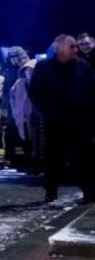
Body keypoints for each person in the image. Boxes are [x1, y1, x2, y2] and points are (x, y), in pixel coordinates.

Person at [28, 34, 95, 203]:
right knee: (52, 157)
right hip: (55, 121)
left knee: (84, 157)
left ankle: (89, 192)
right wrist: (46, 110)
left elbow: (92, 90)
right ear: (59, 49)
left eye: (76, 46)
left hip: (81, 121)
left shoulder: (83, 66)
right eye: (72, 46)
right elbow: (35, 92)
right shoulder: (44, 67)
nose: (76, 49)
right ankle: (51, 191)